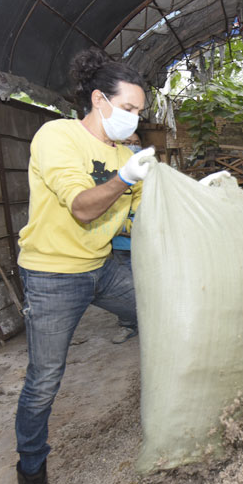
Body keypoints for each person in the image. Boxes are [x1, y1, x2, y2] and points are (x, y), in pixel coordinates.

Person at [14, 47, 155, 484]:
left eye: (139, 112)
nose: (134, 120)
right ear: (100, 100)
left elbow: (136, 223)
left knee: (158, 311)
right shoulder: (57, 137)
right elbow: (82, 207)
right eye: (130, 109)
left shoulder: (124, 154)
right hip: (52, 273)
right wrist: (125, 177)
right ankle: (32, 477)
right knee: (44, 380)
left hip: (101, 266)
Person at [109, 131, 142, 344]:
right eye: (128, 143)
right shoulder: (113, 176)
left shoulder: (147, 174)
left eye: (137, 143)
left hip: (145, 245)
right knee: (124, 286)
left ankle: (151, 323)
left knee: (147, 284)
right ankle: (128, 324)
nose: (133, 147)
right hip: (122, 244)